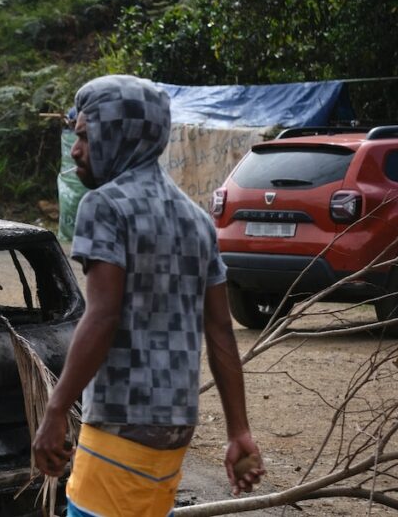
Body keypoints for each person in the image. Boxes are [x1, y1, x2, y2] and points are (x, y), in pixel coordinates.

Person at [32, 75, 265, 516]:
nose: (76, 149)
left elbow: (102, 317)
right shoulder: (196, 220)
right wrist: (239, 432)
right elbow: (220, 331)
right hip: (175, 425)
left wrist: (56, 409)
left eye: (84, 135)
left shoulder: (104, 205)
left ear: (117, 135)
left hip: (120, 421)